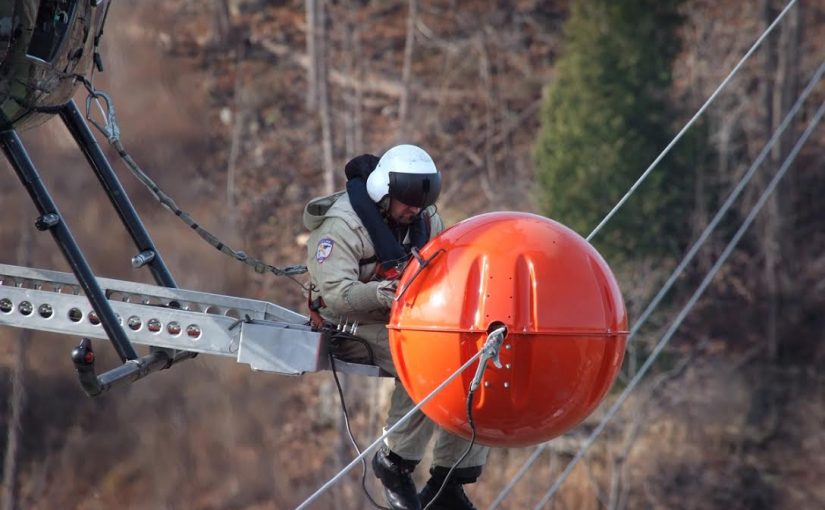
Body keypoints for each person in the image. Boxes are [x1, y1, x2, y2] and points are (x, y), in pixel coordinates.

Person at [303, 144, 489, 510]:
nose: (414, 210)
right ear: (383, 195)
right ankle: (395, 462)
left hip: (409, 319)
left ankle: (449, 480)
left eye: (420, 202)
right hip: (350, 326)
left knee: (478, 360)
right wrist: (389, 294)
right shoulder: (341, 227)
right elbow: (338, 297)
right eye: (406, 202)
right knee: (431, 360)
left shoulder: (424, 220)